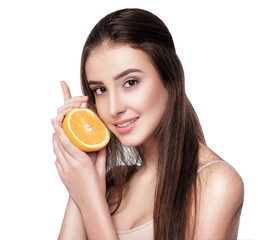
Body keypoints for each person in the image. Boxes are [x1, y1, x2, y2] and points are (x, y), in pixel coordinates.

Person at [51, 8, 244, 240]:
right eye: (100, 90)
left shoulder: (216, 184)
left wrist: (90, 202)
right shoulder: (113, 185)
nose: (113, 108)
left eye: (130, 82)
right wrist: (81, 172)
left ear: (170, 77)